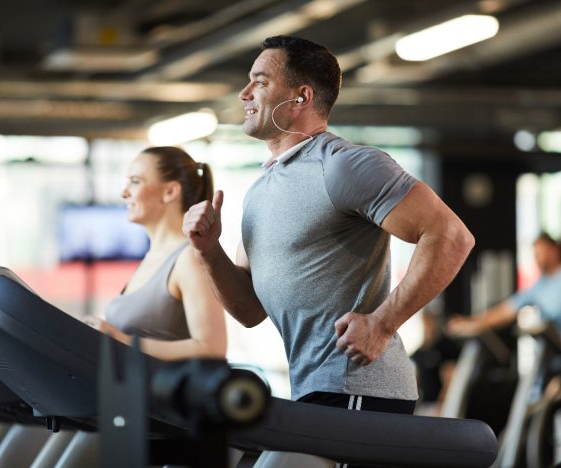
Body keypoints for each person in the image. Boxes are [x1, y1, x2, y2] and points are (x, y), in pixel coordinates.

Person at [183, 35, 473, 421]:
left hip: (358, 390)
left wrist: (383, 324)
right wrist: (209, 250)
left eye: (261, 81)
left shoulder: (342, 165)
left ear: (300, 97)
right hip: (314, 390)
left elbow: (451, 236)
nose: (244, 93)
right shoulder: (260, 191)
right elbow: (250, 310)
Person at [89, 146, 227, 361]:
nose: (124, 193)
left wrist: (123, 341)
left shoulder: (188, 258)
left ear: (170, 192)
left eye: (135, 181)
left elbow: (212, 348)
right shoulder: (152, 257)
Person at [446, 232, 561, 353]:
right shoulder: (540, 285)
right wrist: (471, 321)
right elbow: (506, 310)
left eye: (540, 253)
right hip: (554, 359)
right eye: (535, 254)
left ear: (554, 251)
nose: (536, 258)